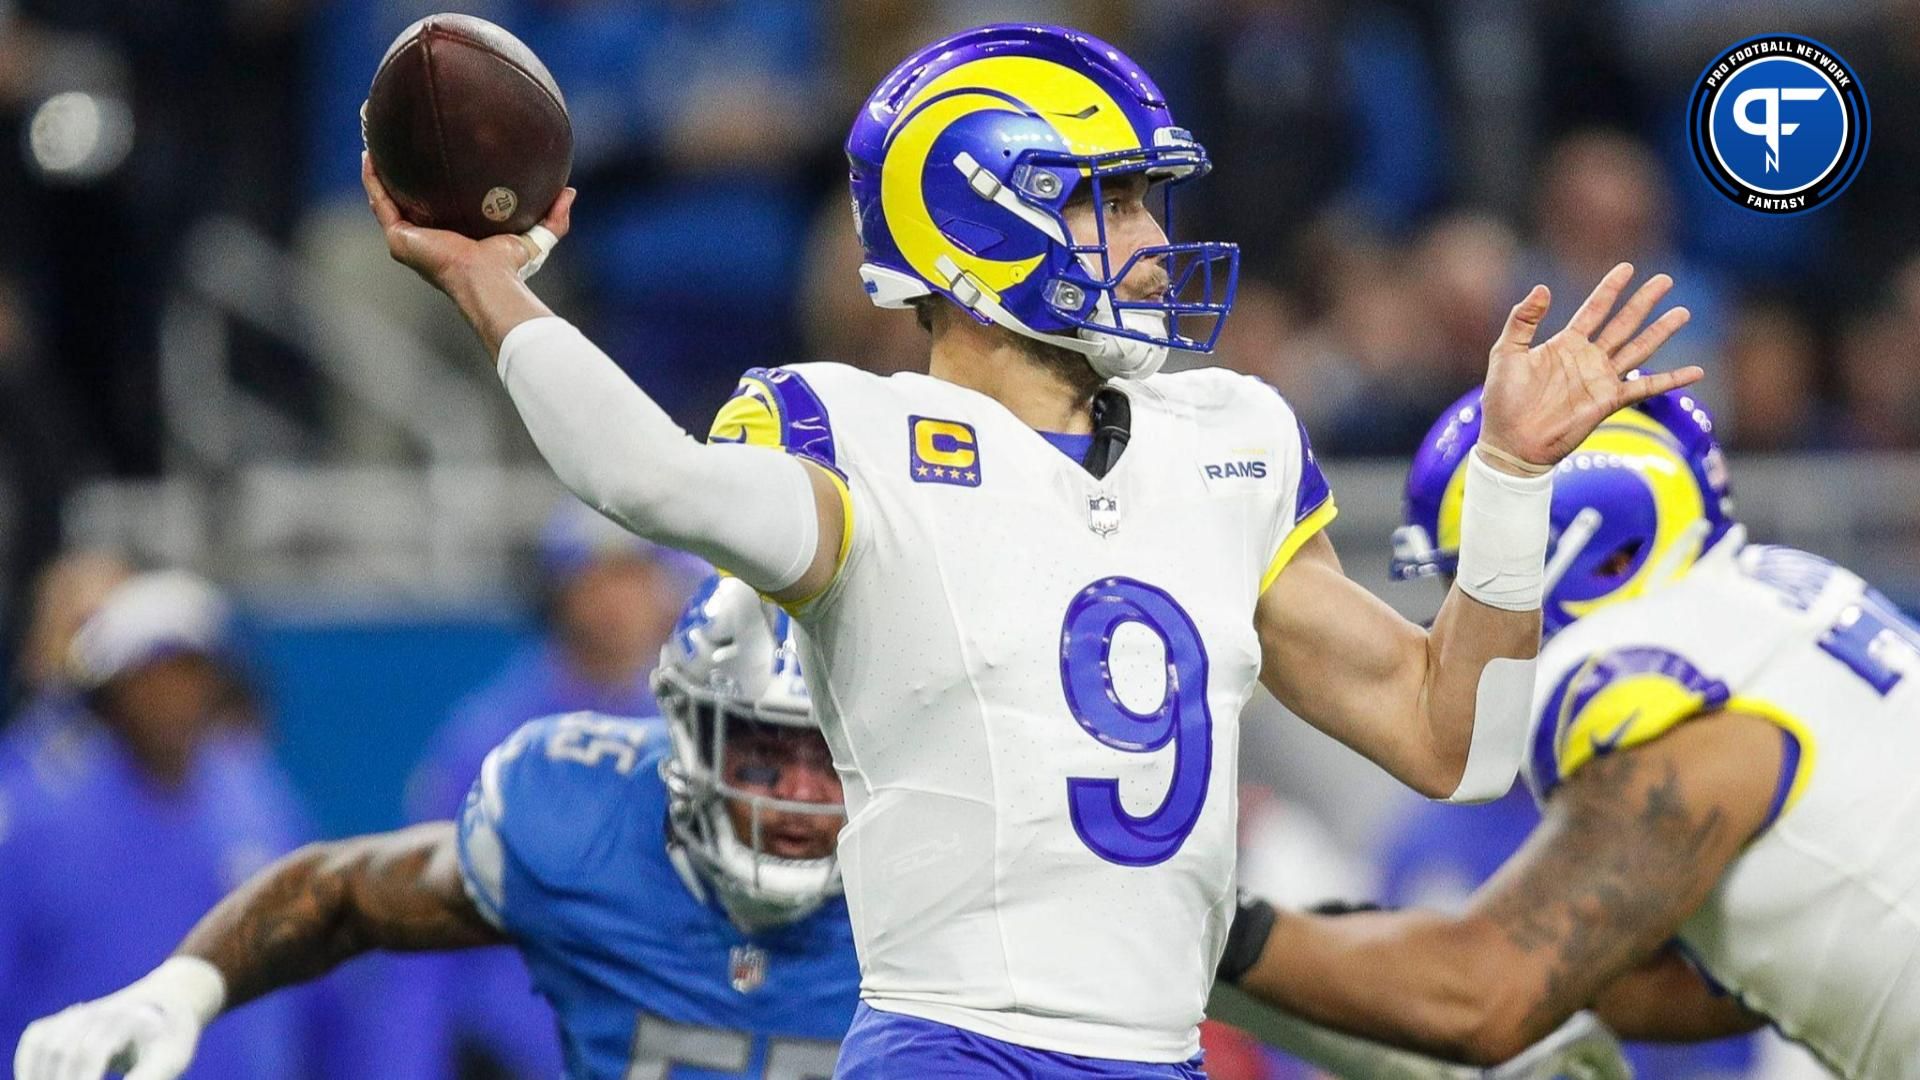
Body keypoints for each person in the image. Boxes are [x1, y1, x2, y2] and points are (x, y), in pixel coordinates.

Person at [357, 22, 1697, 1073]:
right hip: (955, 1046)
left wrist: (1514, 479)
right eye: (1110, 202)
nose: (1155, 243)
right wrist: (490, 281)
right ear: (976, 214)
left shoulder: (1223, 440)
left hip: (1163, 1053)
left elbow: (1455, 744)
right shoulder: (862, 441)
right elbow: (643, 475)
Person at [1215, 385, 1920, 1078]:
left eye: (1477, 580)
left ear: (1598, 552)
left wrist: (1208, 925)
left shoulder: (1649, 683)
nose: (1461, 623)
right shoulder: (1778, 598)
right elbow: (1710, 983)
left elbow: (1483, 998)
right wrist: (1368, 951)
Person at [14, 576, 859, 1080]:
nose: (796, 794)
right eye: (759, 755)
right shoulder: (587, 817)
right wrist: (181, 992)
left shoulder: (966, 861)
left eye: (825, 757)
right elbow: (340, 895)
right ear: (689, 735)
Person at [0, 571, 410, 1080]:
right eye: (151, 674)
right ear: (112, 691)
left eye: (190, 672)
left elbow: (325, 987)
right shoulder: (34, 814)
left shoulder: (256, 794)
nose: (172, 694)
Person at [401, 501, 695, 1079]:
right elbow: (422, 934)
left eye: (633, 579)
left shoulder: (698, 730)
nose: (616, 603)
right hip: (513, 1056)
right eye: (596, 580)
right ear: (558, 595)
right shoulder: (493, 739)